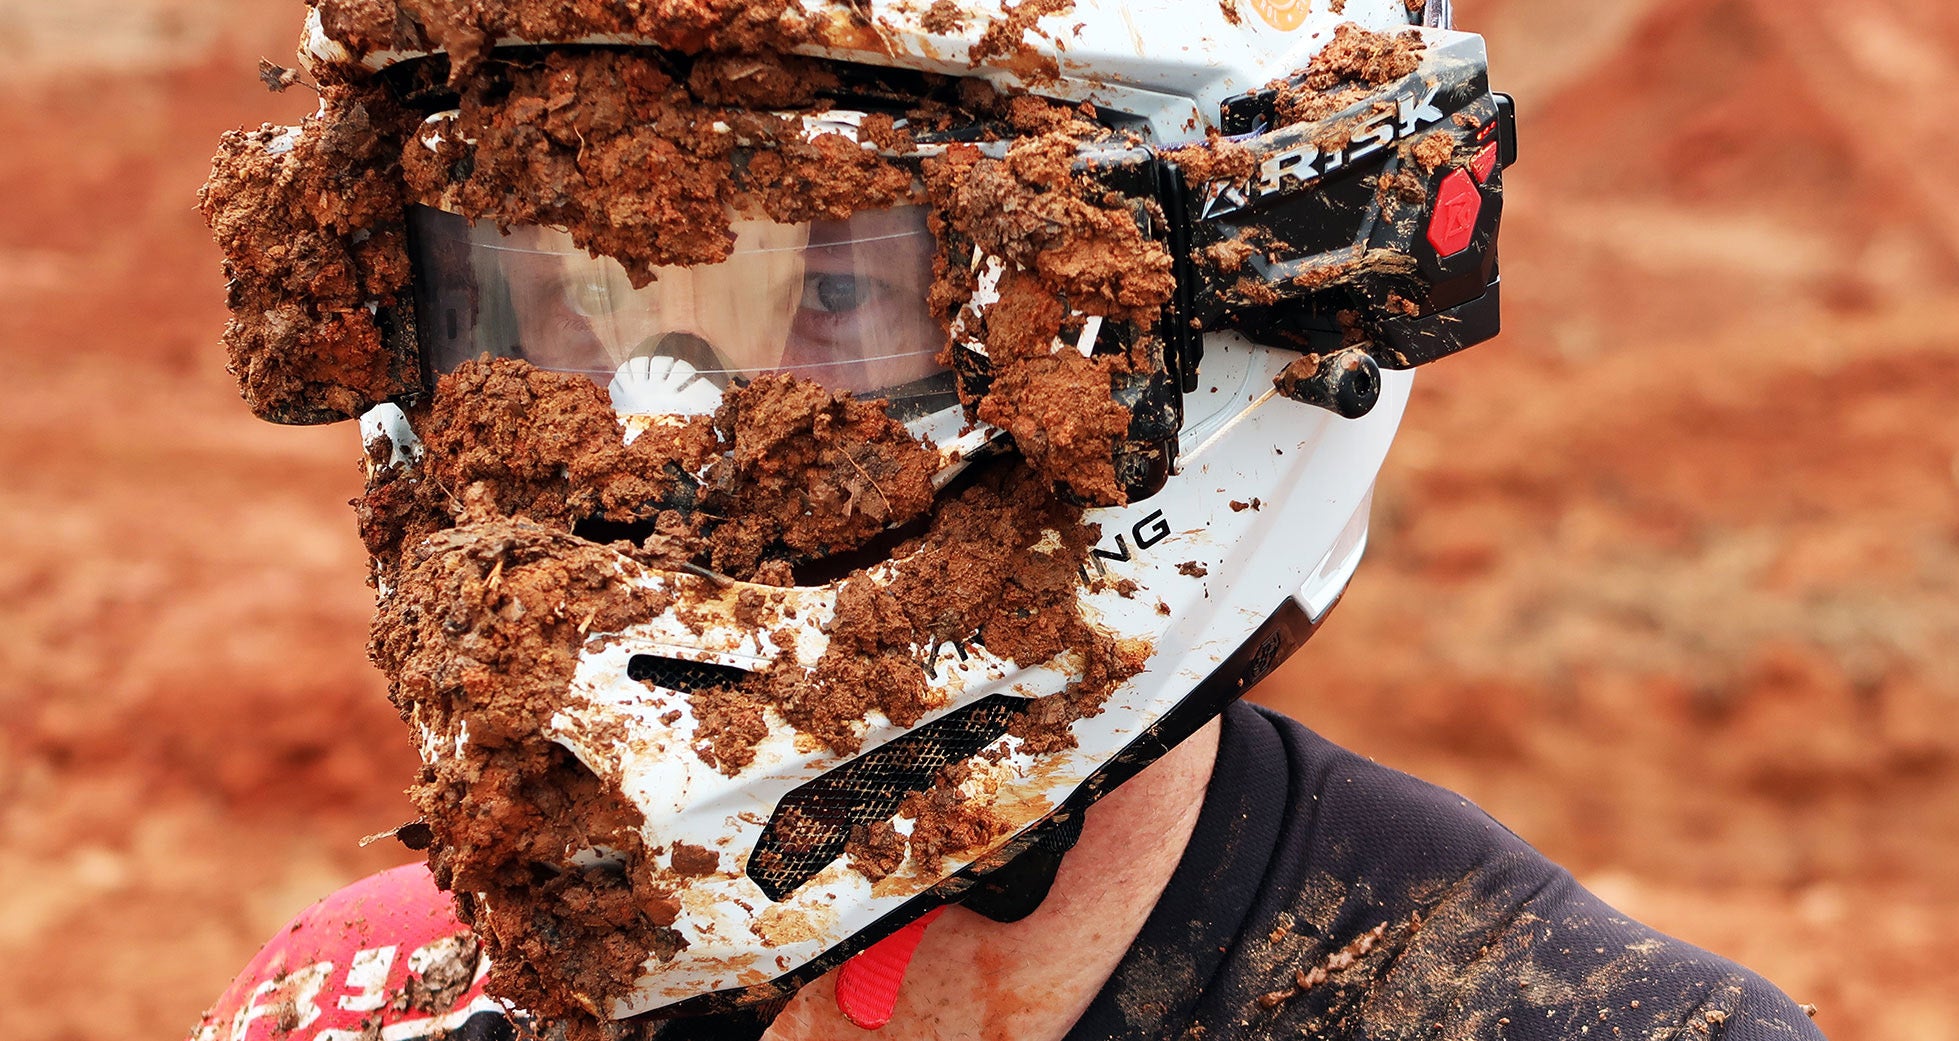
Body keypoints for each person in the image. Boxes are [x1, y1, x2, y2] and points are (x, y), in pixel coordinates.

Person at [191, 1, 1827, 1039]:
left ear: (1215, 307)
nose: (652, 423)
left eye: (827, 285)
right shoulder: (364, 998)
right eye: (540, 297)